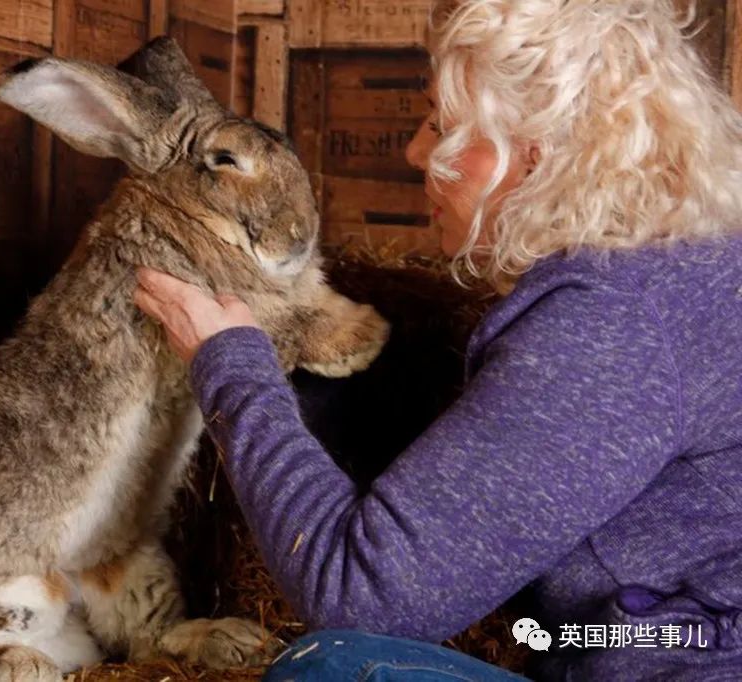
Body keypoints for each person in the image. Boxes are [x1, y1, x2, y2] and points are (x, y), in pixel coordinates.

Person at [133, 1, 742, 680]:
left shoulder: (614, 323)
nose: (416, 150)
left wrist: (230, 367)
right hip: (652, 646)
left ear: (536, 156)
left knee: (332, 668)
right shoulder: (689, 268)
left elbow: (361, 599)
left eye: (444, 126)